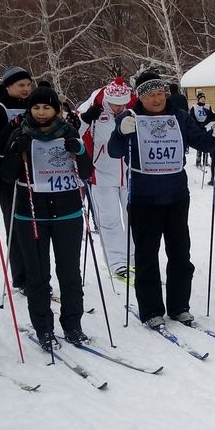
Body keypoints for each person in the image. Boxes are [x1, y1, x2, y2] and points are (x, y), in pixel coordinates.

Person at [108, 70, 215, 327]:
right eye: (151, 94)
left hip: (176, 196)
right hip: (143, 198)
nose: (157, 98)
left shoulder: (179, 117)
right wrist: (120, 132)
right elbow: (114, 151)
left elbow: (200, 141)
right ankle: (151, 310)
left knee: (180, 253)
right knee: (147, 256)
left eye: (160, 93)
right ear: (141, 97)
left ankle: (179, 305)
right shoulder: (132, 117)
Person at [0, 84, 94, 349]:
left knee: (70, 272)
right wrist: (15, 153)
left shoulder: (69, 132)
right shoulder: (20, 133)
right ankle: (44, 328)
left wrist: (79, 151)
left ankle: (73, 325)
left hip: (68, 212)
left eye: (47, 107)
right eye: (36, 107)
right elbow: (5, 176)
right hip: (31, 213)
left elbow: (86, 172)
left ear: (57, 109)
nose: (41, 112)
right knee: (37, 275)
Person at [0, 66, 36, 288]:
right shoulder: (1, 108)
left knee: (34, 223)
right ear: (8, 87)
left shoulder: (34, 104)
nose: (26, 89)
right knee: (14, 221)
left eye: (28, 84)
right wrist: (13, 126)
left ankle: (37, 271)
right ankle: (21, 275)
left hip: (33, 169)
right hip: (8, 171)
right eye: (20, 85)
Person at [79, 76, 135, 279]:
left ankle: (134, 258)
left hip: (130, 172)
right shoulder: (94, 105)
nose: (119, 109)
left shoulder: (133, 108)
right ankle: (117, 262)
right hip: (102, 173)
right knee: (110, 218)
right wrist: (85, 119)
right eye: (115, 105)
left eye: (123, 105)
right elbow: (74, 133)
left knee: (134, 217)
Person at [191, 91, 215, 169]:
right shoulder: (194, 107)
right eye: (201, 98)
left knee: (206, 144)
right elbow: (192, 118)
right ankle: (198, 161)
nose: (203, 100)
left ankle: (205, 161)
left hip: (206, 127)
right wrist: (197, 125)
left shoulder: (208, 106)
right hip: (198, 127)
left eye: (203, 98)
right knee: (199, 144)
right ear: (198, 99)